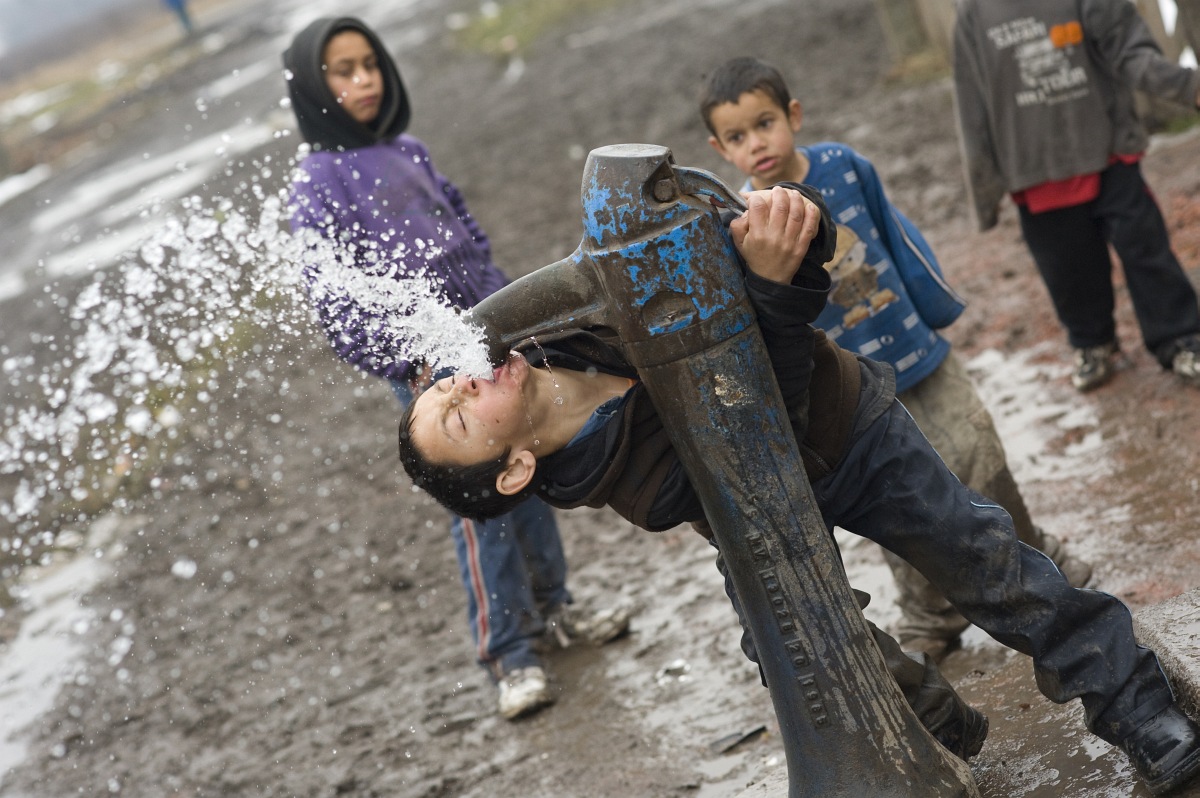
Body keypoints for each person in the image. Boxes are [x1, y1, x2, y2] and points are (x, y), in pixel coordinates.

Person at [397, 185, 1200, 795]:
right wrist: (773, 292)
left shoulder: (546, 326)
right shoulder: (625, 485)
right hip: (754, 507)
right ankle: (931, 727)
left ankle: (1134, 701)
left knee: (982, 558)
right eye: (459, 418)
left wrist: (785, 229)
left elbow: (706, 232)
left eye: (444, 387)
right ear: (514, 469)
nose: (461, 387)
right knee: (793, 649)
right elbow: (756, 423)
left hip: (851, 426)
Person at [281, 16, 630, 721]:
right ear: (314, 91)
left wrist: (508, 313)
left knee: (526, 472)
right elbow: (335, 305)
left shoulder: (407, 149)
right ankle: (509, 652)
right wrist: (413, 362)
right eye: (343, 72)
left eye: (370, 64)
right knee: (480, 511)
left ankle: (555, 610)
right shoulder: (317, 184)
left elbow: (466, 231)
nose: (364, 81)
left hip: (491, 350)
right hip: (434, 378)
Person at [696, 56, 1091, 661]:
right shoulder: (745, 225)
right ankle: (930, 614)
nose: (757, 144)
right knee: (896, 500)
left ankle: (1035, 556)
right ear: (721, 149)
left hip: (920, 353)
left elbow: (899, 237)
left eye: (765, 123)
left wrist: (936, 307)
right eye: (739, 136)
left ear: (793, 116)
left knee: (979, 456)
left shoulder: (845, 168)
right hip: (852, 393)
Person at [952, 0, 1200, 392]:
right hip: (1034, 167)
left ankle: (1182, 338)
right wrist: (984, 192)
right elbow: (972, 104)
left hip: (1107, 153)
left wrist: (1187, 85)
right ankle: (1093, 342)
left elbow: (1130, 50)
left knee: (1146, 251)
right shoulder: (973, 13)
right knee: (1068, 267)